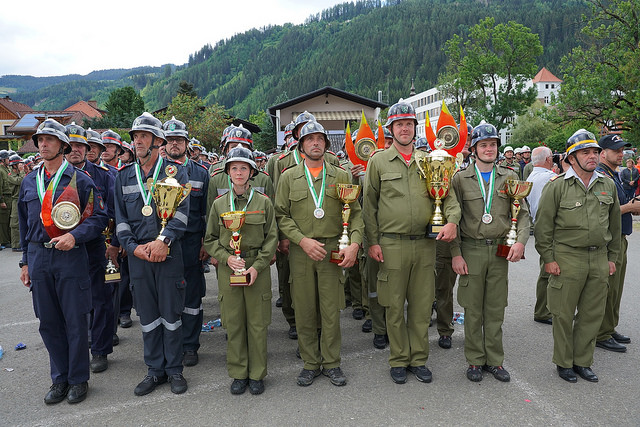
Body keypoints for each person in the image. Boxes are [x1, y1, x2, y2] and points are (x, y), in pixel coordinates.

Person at [363, 102, 460, 384]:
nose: (404, 129)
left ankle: (418, 359)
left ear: (414, 128)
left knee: (421, 306)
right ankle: (398, 359)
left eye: (408, 124)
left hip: (425, 245)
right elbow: (369, 206)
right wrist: (372, 242)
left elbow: (448, 197)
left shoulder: (430, 160)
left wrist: (452, 221)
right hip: (391, 245)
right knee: (393, 306)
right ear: (390, 129)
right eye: (399, 124)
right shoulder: (378, 161)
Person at [18, 118, 108, 404]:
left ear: (63, 146)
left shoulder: (81, 180)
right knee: (48, 322)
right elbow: (24, 224)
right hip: (38, 256)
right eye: (40, 140)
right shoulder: (29, 180)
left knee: (75, 320)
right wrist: (25, 261)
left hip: (70, 256)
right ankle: (60, 378)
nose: (43, 144)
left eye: (49, 140)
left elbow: (99, 217)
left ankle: (78, 379)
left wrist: (75, 236)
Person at [275, 121, 363, 387]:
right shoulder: (289, 177)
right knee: (304, 310)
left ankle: (332, 363)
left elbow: (355, 214)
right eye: (309, 139)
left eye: (320, 139)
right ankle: (310, 363)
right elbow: (281, 215)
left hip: (332, 250)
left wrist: (354, 244)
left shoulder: (341, 175)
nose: (315, 143)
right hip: (302, 252)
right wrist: (301, 241)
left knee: (330, 310)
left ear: (326, 144)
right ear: (301, 146)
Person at [534, 129, 621, 383]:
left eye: (595, 152)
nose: (592, 156)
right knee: (562, 314)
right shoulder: (557, 186)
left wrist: (612, 258)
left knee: (591, 314)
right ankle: (564, 363)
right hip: (567, 258)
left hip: (599, 258)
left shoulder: (607, 185)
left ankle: (583, 361)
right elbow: (543, 227)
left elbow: (615, 227)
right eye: (585, 152)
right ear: (572, 158)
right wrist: (548, 259)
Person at [114, 112, 190, 395]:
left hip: (167, 253)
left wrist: (163, 241)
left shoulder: (175, 172)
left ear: (158, 141)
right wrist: (133, 248)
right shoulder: (123, 176)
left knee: (171, 314)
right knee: (147, 316)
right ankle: (154, 370)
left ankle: (174, 370)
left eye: (144, 136)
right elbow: (120, 219)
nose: (138, 141)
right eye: (135, 136)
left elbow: (182, 215)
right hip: (139, 258)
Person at [451, 122, 530, 383]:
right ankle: (475, 360)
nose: (489, 149)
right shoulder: (460, 179)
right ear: (474, 149)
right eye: (483, 145)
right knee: (473, 309)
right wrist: (455, 253)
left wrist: (520, 242)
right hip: (471, 250)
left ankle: (495, 360)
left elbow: (523, 214)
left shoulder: (509, 177)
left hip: (498, 250)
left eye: (493, 144)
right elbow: (453, 218)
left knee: (495, 309)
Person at [204, 147, 277, 395]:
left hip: (257, 268)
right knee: (234, 323)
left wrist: (258, 266)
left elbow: (272, 238)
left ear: (252, 172)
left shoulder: (263, 202)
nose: (238, 172)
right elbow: (210, 240)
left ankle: (256, 374)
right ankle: (238, 373)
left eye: (243, 168)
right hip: (230, 269)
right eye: (234, 168)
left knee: (257, 324)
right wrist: (226, 259)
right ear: (227, 172)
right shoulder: (219, 204)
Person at [65, 122, 118, 373]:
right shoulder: (49, 177)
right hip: (64, 248)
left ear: (87, 149)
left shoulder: (104, 176)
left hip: (97, 246)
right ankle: (77, 347)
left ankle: (99, 349)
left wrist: (114, 244)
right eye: (70, 145)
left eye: (80, 145)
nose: (75, 150)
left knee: (101, 299)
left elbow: (115, 211)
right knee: (71, 301)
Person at [162, 116, 209, 366]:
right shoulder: (156, 172)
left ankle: (190, 345)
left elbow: (207, 213)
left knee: (191, 297)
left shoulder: (201, 173)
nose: (174, 144)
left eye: (178, 140)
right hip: (165, 242)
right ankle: (170, 343)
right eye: (169, 140)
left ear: (187, 143)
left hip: (191, 242)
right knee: (168, 296)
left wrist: (205, 243)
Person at [595, 134, 640, 352]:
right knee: (608, 288)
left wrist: (632, 205)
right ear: (603, 153)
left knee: (616, 288)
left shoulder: (613, 174)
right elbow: (601, 212)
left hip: (620, 237)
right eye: (616, 150)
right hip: (609, 241)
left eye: (622, 150)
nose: (621, 154)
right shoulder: (600, 176)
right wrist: (629, 207)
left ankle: (609, 327)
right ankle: (601, 332)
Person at [434, 123, 473, 350]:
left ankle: (475, 328)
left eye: (469, 140)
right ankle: (445, 329)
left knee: (473, 287)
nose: (466, 143)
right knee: (444, 287)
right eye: (462, 139)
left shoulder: (480, 166)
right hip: (447, 235)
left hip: (472, 237)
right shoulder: (440, 164)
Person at [526, 146, 557, 325]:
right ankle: (544, 311)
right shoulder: (549, 177)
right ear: (548, 159)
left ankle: (545, 309)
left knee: (547, 269)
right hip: (551, 227)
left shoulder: (532, 176)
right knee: (549, 270)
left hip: (539, 224)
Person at [7, 154, 26, 251]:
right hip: (15, 200)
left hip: (21, 199)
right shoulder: (10, 175)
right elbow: (20, 181)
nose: (21, 165)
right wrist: (22, 171)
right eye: (19, 164)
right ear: (14, 165)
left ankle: (21, 243)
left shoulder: (18, 174)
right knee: (15, 223)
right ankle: (16, 245)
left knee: (22, 222)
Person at [0, 150, 12, 248]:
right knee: (3, 221)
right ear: (3, 159)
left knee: (8, 220)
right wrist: (1, 201)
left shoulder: (6, 169)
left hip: (9, 197)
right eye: (7, 158)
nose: (9, 160)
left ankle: (8, 239)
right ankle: (4, 240)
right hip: (4, 197)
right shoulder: (0, 170)